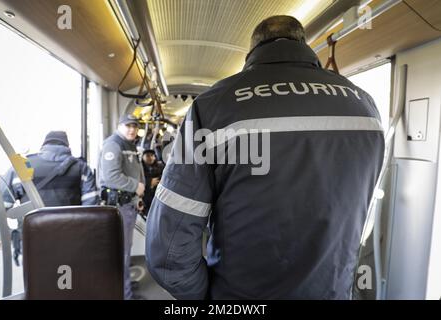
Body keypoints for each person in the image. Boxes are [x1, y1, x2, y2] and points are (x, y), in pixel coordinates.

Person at [146, 15, 385, 299]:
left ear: (251, 53)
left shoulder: (213, 106)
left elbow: (170, 248)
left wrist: (206, 295)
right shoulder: (366, 108)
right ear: (304, 44)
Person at [0, 131, 99, 263]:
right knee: (68, 277)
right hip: (71, 238)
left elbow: (0, 204)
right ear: (67, 146)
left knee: (38, 278)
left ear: (44, 145)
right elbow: (91, 208)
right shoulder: (81, 168)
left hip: (33, 237)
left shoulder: (23, 166)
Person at [98, 114, 145, 300]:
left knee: (125, 249)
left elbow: (132, 171)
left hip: (128, 203)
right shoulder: (114, 144)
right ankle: (125, 295)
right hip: (120, 206)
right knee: (122, 251)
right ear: (119, 126)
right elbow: (111, 177)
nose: (132, 129)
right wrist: (136, 186)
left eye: (135, 126)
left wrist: (137, 198)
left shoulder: (128, 144)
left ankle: (123, 284)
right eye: (128, 126)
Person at [141, 149, 164, 216]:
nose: (150, 158)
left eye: (152, 155)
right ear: (143, 157)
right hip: (144, 197)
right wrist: (149, 182)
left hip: (157, 196)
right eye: (147, 156)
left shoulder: (160, 166)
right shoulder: (140, 168)